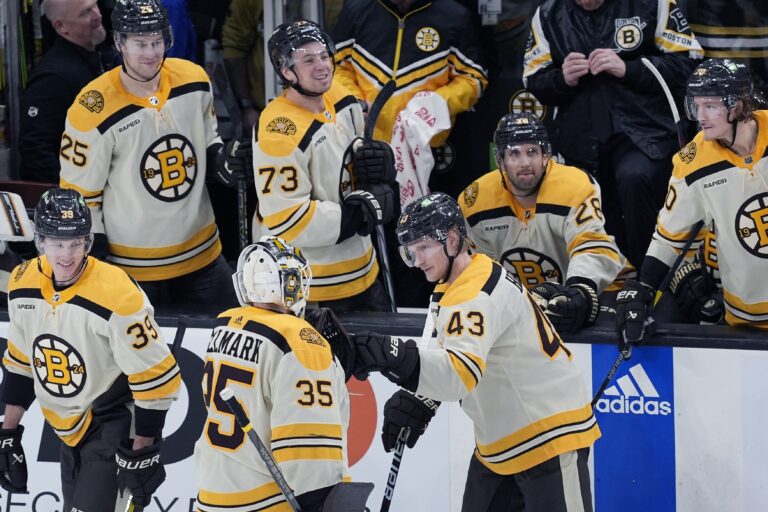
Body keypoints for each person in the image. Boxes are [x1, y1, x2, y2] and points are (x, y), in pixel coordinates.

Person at [353, 192, 600, 511]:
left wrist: (390, 354)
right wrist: (421, 397)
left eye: (425, 247)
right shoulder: (460, 280)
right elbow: (450, 353)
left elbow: (458, 375)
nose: (419, 261)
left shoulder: (474, 294)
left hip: (549, 434)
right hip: (501, 439)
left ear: (452, 240)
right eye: (412, 252)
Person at [0, 188, 180, 511]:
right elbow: (22, 360)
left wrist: (142, 447)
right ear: (40, 241)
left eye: (75, 243)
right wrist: (8, 430)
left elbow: (157, 376)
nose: (66, 254)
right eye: (56, 243)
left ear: (88, 242)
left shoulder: (117, 292)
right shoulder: (22, 282)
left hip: (113, 421)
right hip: (68, 429)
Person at [59, 0, 241, 308]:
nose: (151, 53)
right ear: (119, 43)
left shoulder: (194, 80)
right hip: (132, 267)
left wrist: (223, 162)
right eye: (140, 43)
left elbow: (207, 140)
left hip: (203, 255)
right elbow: (79, 193)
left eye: (157, 42)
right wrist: (95, 255)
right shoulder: (92, 107)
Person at [523, 0, 703, 268]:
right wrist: (562, 78)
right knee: (588, 194)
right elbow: (533, 79)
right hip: (579, 138)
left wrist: (629, 68)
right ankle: (603, 281)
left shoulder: (653, 4)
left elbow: (688, 63)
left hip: (645, 130)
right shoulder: (548, 13)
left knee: (634, 177)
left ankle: (649, 276)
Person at [241, 20, 396, 312]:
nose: (322, 66)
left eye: (324, 56)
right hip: (310, 286)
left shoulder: (340, 95)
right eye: (308, 60)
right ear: (287, 71)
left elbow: (352, 155)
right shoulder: (278, 130)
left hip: (363, 269)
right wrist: (357, 214)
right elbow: (287, 219)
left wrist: (379, 162)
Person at [194, 236, 356, 511]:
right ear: (291, 284)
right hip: (267, 502)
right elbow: (309, 454)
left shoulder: (224, 325)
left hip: (211, 497)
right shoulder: (300, 340)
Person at [617, 59, 768, 344]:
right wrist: (644, 287)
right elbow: (668, 238)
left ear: (737, 105)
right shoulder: (691, 163)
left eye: (710, 106)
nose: (700, 116)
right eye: (696, 106)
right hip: (748, 320)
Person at [459, 112, 630, 333]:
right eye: (514, 154)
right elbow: (480, 271)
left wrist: (579, 289)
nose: (525, 163)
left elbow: (591, 245)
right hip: (530, 300)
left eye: (532, 152)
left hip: (598, 289)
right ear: (500, 160)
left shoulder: (574, 184)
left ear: (546, 154)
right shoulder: (475, 201)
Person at [332, 0, 488, 147]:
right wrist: (354, 101)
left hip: (424, 145)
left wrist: (435, 104)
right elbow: (335, 66)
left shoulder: (453, 16)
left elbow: (473, 77)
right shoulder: (357, 9)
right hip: (362, 140)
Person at [19, 0, 106, 183]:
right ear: (61, 26)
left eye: (95, 5)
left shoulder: (95, 59)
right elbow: (36, 150)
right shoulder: (53, 78)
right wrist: (78, 191)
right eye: (85, 13)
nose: (98, 16)